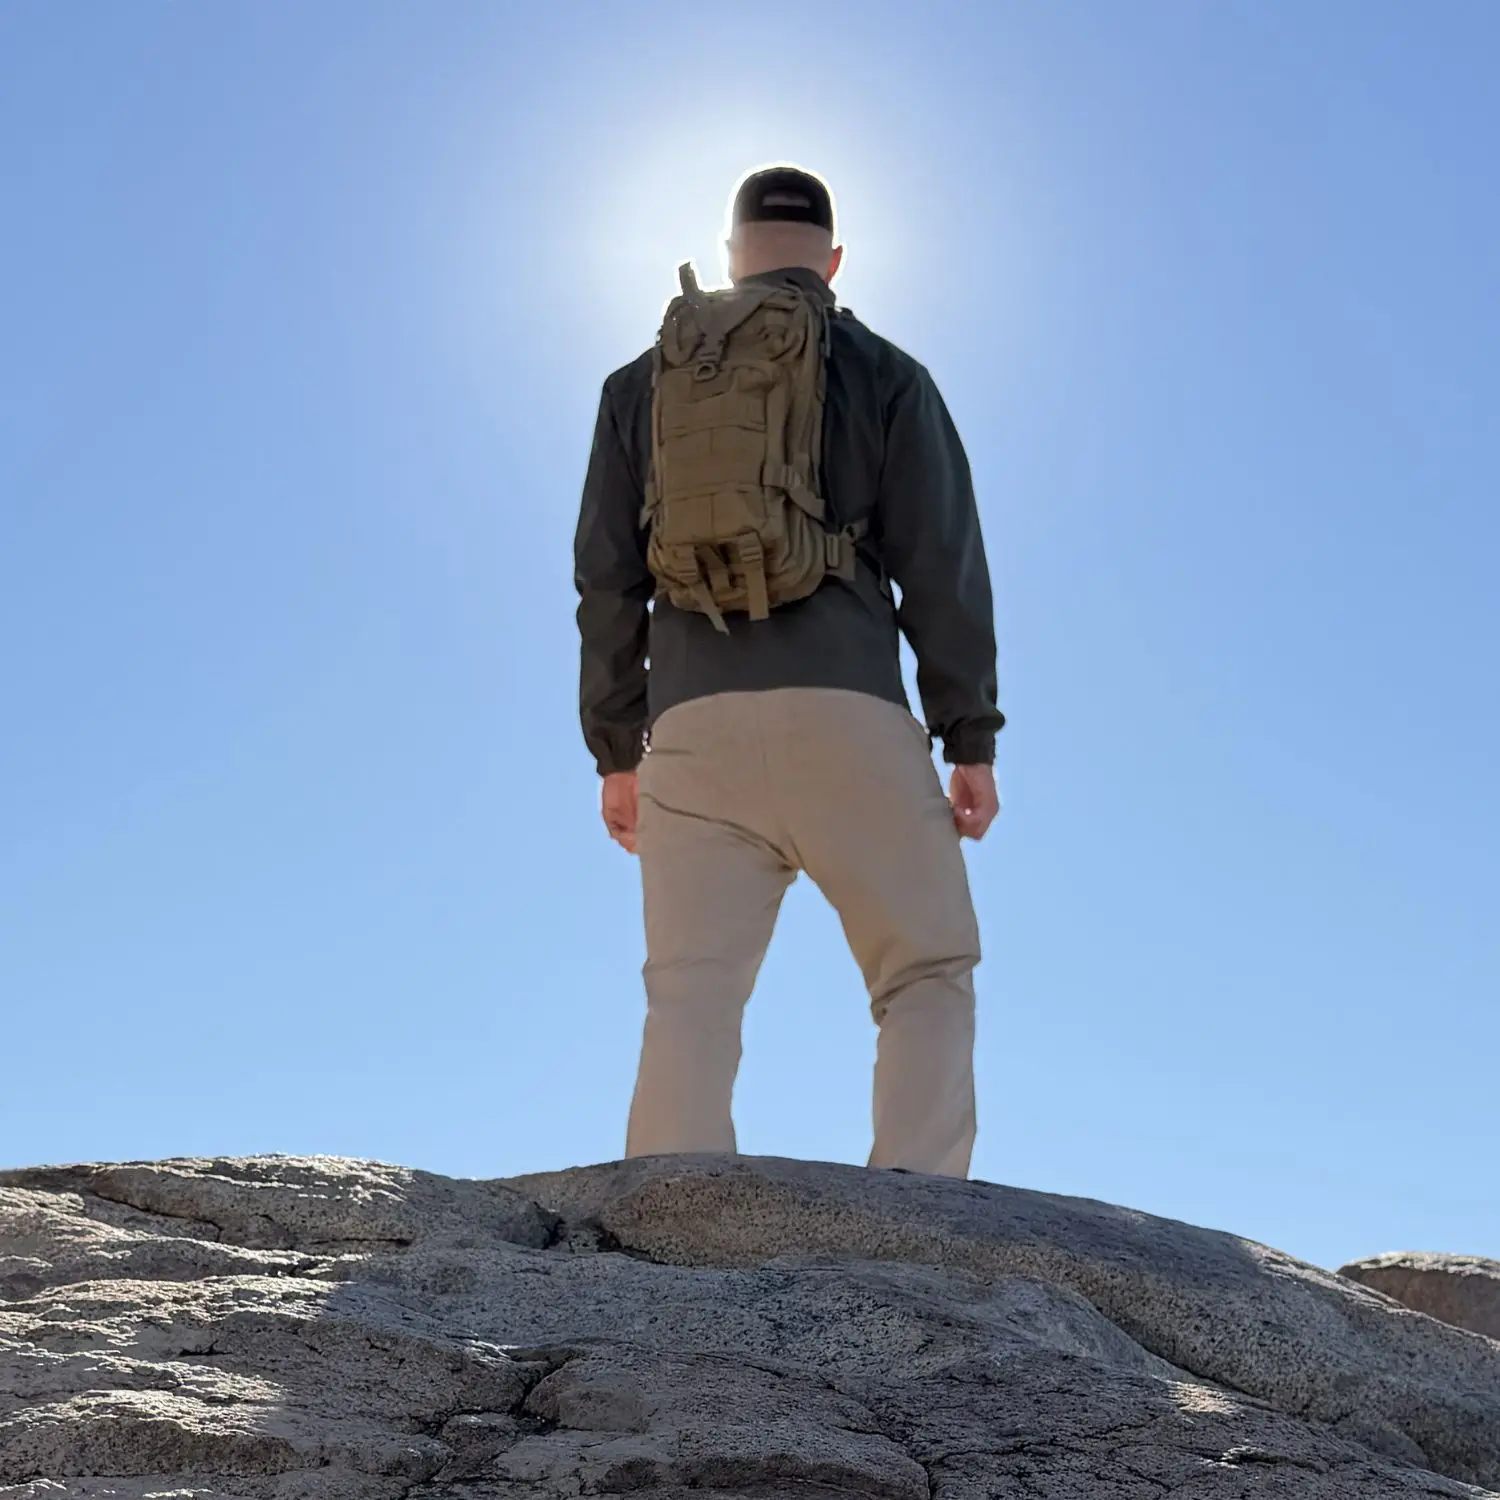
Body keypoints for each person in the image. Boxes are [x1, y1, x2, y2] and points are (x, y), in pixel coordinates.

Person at [573, 165, 1004, 1178]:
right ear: (835, 260)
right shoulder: (887, 372)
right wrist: (969, 737)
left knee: (691, 997)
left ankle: (669, 1236)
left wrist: (615, 749)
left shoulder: (639, 386)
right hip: (848, 710)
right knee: (924, 974)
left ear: (730, 255)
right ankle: (916, 1225)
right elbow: (943, 565)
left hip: (690, 727)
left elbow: (603, 579)